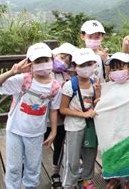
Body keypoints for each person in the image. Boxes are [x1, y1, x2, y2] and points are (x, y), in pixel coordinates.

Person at [0, 43, 62, 189]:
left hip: (36, 133)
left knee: (33, 166)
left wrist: (53, 131)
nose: (43, 64)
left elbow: (54, 110)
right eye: (38, 61)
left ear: (52, 60)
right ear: (30, 63)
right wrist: (12, 72)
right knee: (13, 167)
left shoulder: (55, 86)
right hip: (15, 130)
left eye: (45, 60)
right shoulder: (23, 79)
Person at [60, 48, 101, 189]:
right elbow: (63, 109)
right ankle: (69, 184)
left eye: (90, 64)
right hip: (74, 126)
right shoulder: (70, 85)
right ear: (75, 66)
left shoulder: (94, 83)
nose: (86, 68)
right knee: (73, 157)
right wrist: (83, 114)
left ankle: (87, 180)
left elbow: (96, 103)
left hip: (90, 126)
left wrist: (99, 92)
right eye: (82, 65)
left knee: (90, 154)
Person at [104, 53, 129, 189]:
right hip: (113, 127)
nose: (117, 72)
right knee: (113, 151)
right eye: (113, 69)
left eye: (120, 68)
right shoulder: (107, 87)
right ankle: (114, 177)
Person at [47, 42, 77, 187]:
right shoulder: (44, 70)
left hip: (59, 118)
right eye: (62, 57)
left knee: (59, 145)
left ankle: (55, 173)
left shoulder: (68, 75)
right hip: (40, 117)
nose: (64, 61)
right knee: (34, 146)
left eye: (68, 60)